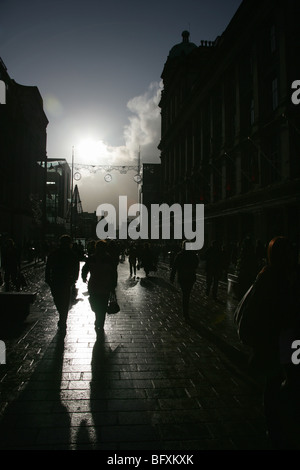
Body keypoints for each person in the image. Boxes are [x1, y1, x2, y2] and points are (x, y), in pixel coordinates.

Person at [240, 236, 299, 449]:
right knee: (279, 380)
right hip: (281, 339)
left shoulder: (274, 275)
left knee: (286, 378)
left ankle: (279, 421)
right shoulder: (273, 277)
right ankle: (276, 425)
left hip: (288, 339)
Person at [81, 240, 118, 335]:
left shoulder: (107, 258)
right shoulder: (94, 258)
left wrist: (84, 276)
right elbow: (114, 272)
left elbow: (113, 272)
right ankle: (99, 318)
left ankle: (100, 321)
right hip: (100, 284)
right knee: (99, 304)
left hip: (99, 284)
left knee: (99, 303)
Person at [45, 234, 80, 331]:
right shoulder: (57, 254)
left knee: (62, 300)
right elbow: (48, 267)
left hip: (63, 280)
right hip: (59, 280)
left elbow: (76, 268)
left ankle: (63, 319)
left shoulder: (70, 254)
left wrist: (74, 279)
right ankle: (62, 316)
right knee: (60, 300)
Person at [170, 241, 199, 321]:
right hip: (191, 276)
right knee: (187, 293)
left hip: (182, 277)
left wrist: (172, 276)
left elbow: (174, 266)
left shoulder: (180, 255)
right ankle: (186, 310)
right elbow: (196, 265)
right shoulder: (193, 255)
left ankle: (185, 311)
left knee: (184, 293)